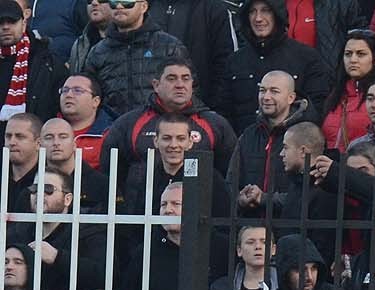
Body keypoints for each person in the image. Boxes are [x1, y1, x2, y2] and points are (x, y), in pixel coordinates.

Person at [97, 55, 235, 187]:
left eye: (186, 79)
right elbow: (110, 172)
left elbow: (229, 174)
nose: (180, 85)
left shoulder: (215, 124)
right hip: (140, 209)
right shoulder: (129, 123)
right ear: (156, 85)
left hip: (196, 209)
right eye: (172, 78)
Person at [220, 0, 332, 128]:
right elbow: (224, 111)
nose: (258, 18)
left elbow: (317, 108)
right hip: (242, 143)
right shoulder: (235, 61)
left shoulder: (306, 57)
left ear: (277, 14)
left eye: (265, 10)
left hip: (290, 143)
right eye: (252, 12)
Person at [81, 0, 186, 117]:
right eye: (114, 2)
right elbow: (89, 96)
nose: (119, 6)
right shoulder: (97, 52)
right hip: (113, 129)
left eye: (127, 2)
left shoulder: (169, 46)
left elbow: (188, 91)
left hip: (159, 127)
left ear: (143, 6)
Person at [230, 70, 313, 199]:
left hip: (288, 218)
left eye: (274, 91)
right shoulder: (248, 135)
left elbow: (308, 192)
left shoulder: (305, 134)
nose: (266, 97)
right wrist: (240, 200)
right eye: (262, 90)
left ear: (291, 98)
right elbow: (231, 183)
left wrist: (264, 199)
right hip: (249, 218)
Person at [0, 0, 66, 120]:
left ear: (24, 23)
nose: (5, 27)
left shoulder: (46, 61)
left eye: (12, 21)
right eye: (0, 22)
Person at [39, 117, 108, 211]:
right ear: (39, 145)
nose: (56, 143)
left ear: (74, 144)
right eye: (49, 137)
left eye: (63, 137)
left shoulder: (102, 185)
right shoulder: (32, 184)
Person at [57, 73, 109, 167]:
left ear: (95, 101)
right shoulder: (48, 130)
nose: (68, 95)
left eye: (77, 90)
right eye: (65, 90)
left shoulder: (109, 134)